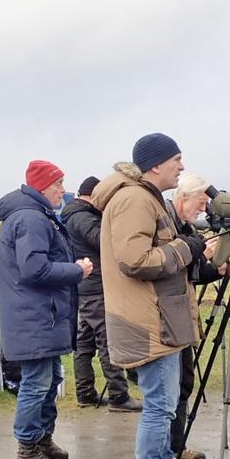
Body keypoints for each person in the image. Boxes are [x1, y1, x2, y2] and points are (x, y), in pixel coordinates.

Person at [92, 133, 210, 459]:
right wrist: (189, 248)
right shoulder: (134, 199)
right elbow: (135, 259)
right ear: (156, 164)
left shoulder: (146, 197)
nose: (182, 165)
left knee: (166, 402)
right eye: (177, 159)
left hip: (159, 316)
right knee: (159, 407)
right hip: (147, 321)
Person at [0, 160, 93, 459]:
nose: (63, 191)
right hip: (34, 317)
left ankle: (42, 439)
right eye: (58, 185)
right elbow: (34, 268)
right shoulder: (31, 219)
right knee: (36, 384)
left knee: (49, 381)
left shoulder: (36, 216)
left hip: (41, 316)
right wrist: (77, 271)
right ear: (41, 187)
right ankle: (27, 449)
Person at [61, 175, 141, 412]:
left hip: (87, 286)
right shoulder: (83, 217)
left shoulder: (76, 215)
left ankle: (85, 393)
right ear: (93, 196)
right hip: (96, 286)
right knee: (108, 341)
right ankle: (118, 396)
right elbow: (103, 241)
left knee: (84, 342)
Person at [167, 173, 229, 459]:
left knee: (184, 382)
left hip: (182, 312)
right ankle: (168, 453)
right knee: (172, 387)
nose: (204, 210)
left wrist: (216, 270)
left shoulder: (186, 226)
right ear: (184, 197)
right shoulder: (168, 225)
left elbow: (192, 275)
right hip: (168, 316)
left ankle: (175, 447)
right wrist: (200, 250)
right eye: (201, 203)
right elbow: (170, 265)